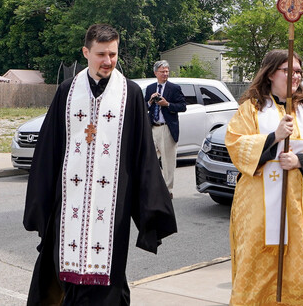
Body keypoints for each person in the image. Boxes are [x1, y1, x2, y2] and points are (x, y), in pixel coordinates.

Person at [23, 24, 177, 305]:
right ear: (86, 52)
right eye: (101, 54)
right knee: (65, 275)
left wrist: (151, 210)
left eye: (113, 54)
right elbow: (49, 151)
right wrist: (40, 204)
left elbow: (143, 154)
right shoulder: (67, 92)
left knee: (109, 279)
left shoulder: (129, 93)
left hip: (112, 208)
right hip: (68, 204)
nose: (108, 61)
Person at [225, 49, 303, 305]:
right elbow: (235, 144)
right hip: (260, 209)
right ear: (270, 74)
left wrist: (302, 161)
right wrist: (273, 137)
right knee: (257, 262)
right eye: (288, 70)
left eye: (299, 71)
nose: (296, 76)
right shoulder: (251, 109)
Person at [145, 60, 187, 199]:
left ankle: (168, 191)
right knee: (149, 159)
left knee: (168, 162)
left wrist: (167, 104)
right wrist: (151, 101)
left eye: (167, 71)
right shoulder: (151, 88)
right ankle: (151, 187)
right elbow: (144, 107)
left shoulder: (174, 88)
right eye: (162, 71)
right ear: (155, 72)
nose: (165, 74)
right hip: (153, 128)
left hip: (167, 128)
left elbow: (182, 106)